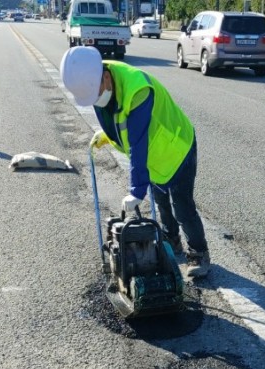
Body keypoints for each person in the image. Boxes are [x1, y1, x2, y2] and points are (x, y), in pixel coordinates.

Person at [60, 45, 210, 277]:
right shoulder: (96, 83)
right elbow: (120, 123)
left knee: (183, 207)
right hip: (156, 158)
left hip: (177, 147)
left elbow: (138, 142)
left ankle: (199, 253)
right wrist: (108, 136)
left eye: (96, 94)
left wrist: (136, 190)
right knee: (161, 201)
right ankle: (172, 240)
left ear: (106, 77)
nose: (96, 100)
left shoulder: (137, 89)